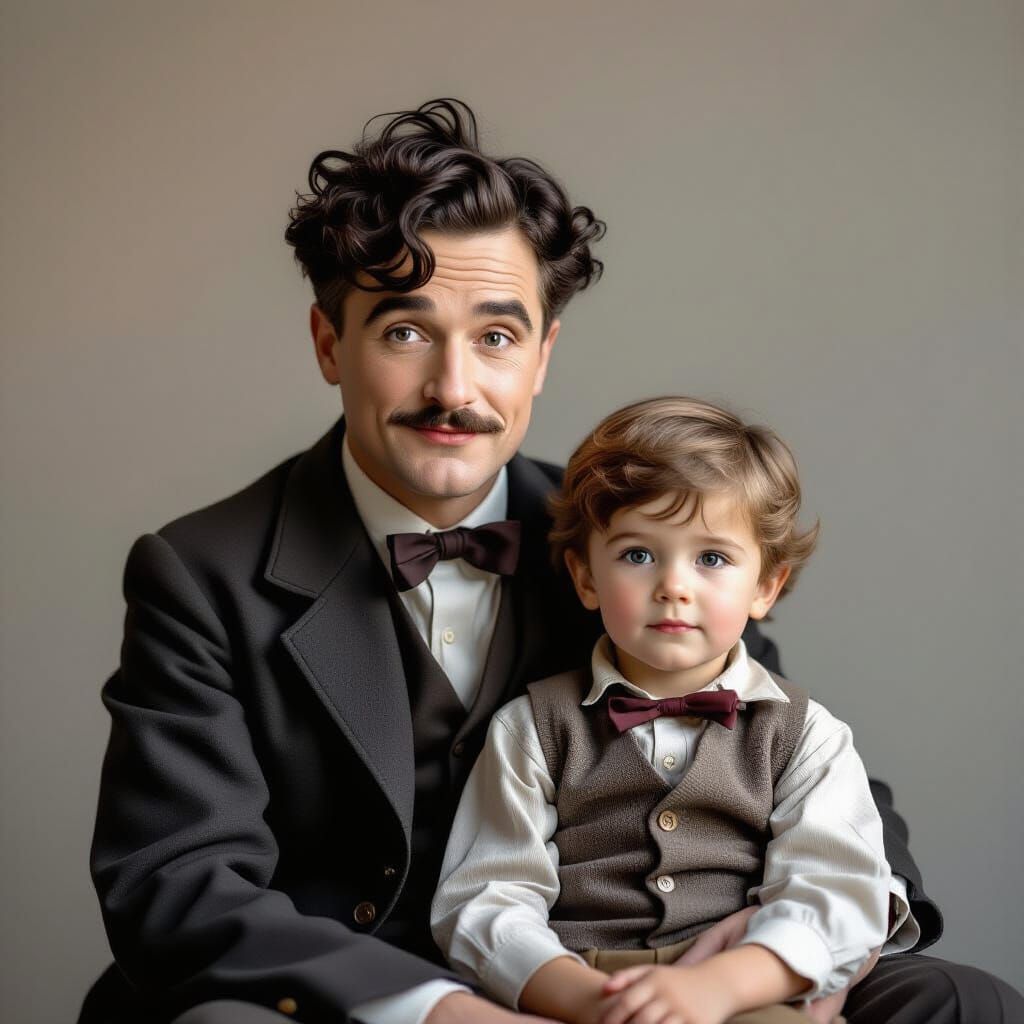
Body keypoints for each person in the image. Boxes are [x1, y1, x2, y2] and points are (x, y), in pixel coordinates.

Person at [79, 99, 1020, 1024]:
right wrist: (448, 1013)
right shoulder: (200, 572)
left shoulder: (635, 534)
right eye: (406, 332)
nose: (453, 387)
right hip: (358, 1000)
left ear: (542, 354)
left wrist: (792, 958)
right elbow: (176, 881)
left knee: (963, 1002)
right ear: (331, 345)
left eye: (496, 337)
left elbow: (801, 760)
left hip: (656, 981)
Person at [432, 396, 892, 1023]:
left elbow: (837, 890)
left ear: (765, 586)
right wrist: (579, 996)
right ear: (586, 578)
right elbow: (486, 897)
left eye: (711, 558)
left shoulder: (806, 734)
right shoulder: (531, 728)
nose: (674, 586)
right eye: (638, 555)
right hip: (579, 990)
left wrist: (723, 987)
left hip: (738, 986)